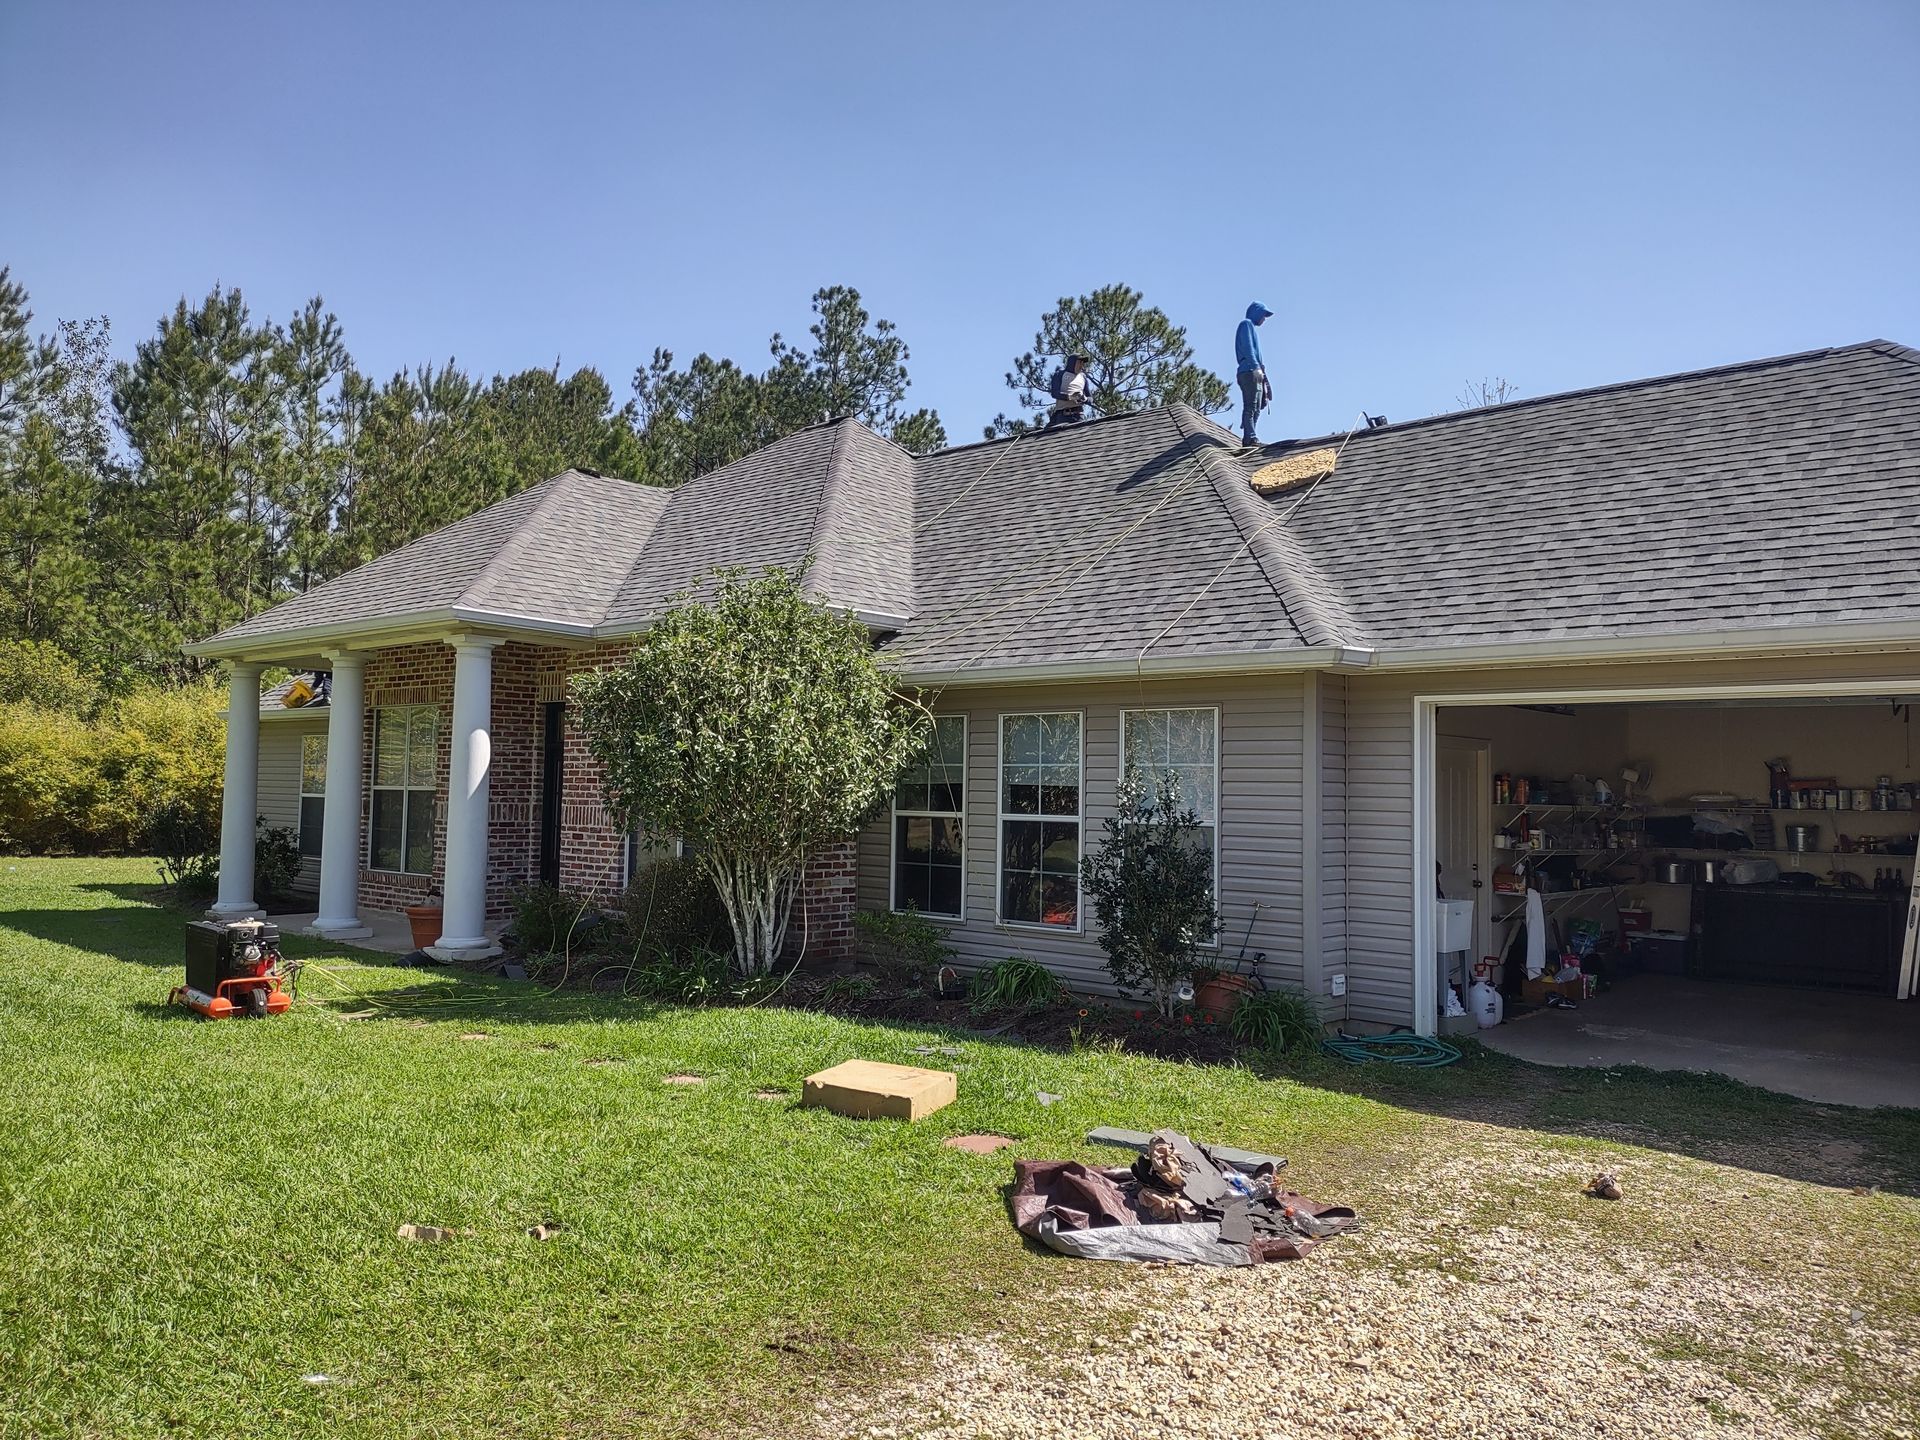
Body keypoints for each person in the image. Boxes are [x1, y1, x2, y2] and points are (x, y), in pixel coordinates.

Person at [1235, 302, 1273, 446]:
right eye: (1263, 315)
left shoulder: (1251, 328)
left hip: (1254, 371)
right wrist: (1255, 367)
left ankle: (1251, 436)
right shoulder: (1246, 325)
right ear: (1256, 313)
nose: (1264, 319)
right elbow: (1248, 346)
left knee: (1257, 405)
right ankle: (1249, 437)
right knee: (1251, 405)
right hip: (1248, 371)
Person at [1047, 353, 1092, 427]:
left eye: (1082, 363)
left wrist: (1085, 399)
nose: (1081, 366)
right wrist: (1070, 397)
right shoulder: (1060, 374)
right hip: (1063, 415)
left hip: (1079, 415)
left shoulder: (1083, 377)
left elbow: (1090, 398)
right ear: (1072, 363)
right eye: (1079, 362)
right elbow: (1054, 393)